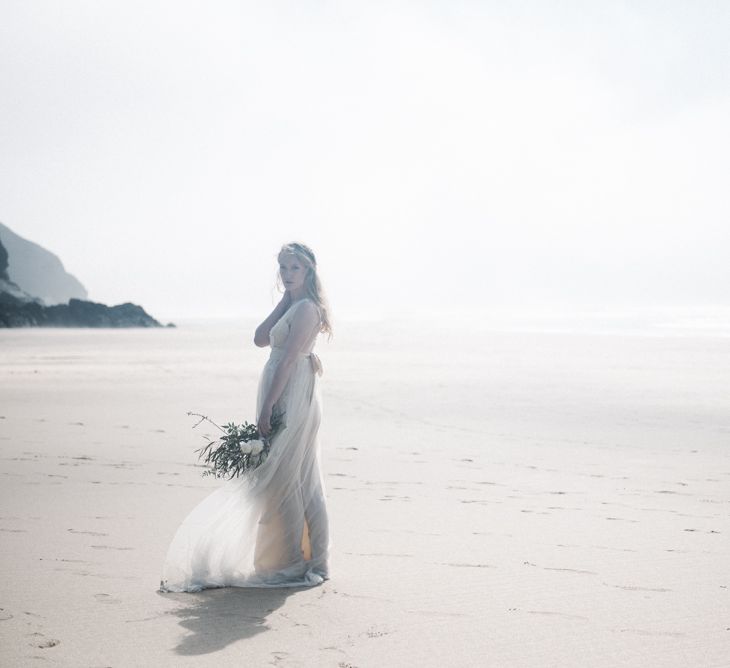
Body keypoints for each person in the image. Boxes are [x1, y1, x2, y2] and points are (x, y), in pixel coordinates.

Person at [160, 242, 331, 591]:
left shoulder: (308, 310)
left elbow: (287, 360)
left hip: (292, 392)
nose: (286, 275)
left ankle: (304, 562)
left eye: (294, 268)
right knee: (287, 473)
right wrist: (284, 300)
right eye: (282, 268)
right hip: (280, 387)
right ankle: (294, 558)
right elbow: (259, 339)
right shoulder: (293, 304)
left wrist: (269, 405)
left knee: (292, 475)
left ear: (309, 270)